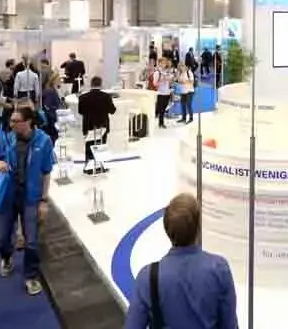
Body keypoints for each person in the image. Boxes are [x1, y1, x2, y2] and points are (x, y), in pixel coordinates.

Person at [124, 193, 238, 329]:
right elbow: (230, 325)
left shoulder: (147, 278)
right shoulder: (219, 270)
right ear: (198, 228)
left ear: (166, 229)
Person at [0, 106, 54, 296]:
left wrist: (44, 200)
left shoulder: (43, 141)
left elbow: (46, 172)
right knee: (2, 237)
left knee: (31, 241)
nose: (12, 124)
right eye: (11, 121)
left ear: (28, 122)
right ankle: (6, 257)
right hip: (8, 195)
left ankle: (31, 276)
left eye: (16, 121)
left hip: (31, 197)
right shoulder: (7, 138)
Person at [77, 77, 116, 175]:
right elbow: (112, 110)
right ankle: (100, 166)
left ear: (91, 84)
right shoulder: (106, 96)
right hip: (103, 126)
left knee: (89, 146)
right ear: (100, 84)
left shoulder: (82, 97)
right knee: (101, 146)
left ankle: (89, 167)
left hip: (88, 126)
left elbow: (80, 111)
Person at [152, 59, 174, 129]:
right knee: (161, 109)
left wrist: (170, 80)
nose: (164, 64)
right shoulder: (157, 72)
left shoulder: (167, 72)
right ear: (159, 63)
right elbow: (154, 83)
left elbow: (170, 81)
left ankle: (161, 122)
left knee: (164, 108)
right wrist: (161, 80)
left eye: (165, 63)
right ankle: (161, 123)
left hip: (167, 92)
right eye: (163, 63)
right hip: (161, 93)